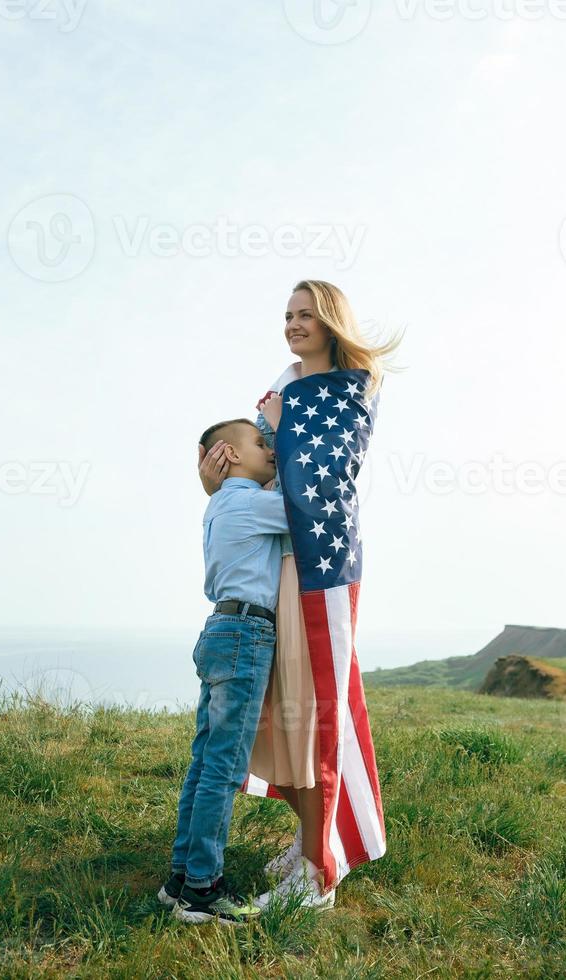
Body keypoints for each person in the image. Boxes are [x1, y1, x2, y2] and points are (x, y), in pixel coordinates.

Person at [198, 280, 403, 909]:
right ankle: (310, 839)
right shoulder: (281, 387)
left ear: (331, 321)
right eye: (287, 314)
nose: (292, 324)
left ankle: (318, 872)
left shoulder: (351, 388)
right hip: (275, 567)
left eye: (305, 314)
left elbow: (327, 475)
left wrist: (283, 431)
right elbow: (260, 478)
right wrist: (215, 477)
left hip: (320, 570)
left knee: (314, 710)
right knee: (286, 707)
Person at [158, 417, 290, 926]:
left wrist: (213, 482)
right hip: (244, 636)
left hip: (221, 630)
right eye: (260, 444)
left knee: (204, 759)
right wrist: (285, 435)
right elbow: (312, 507)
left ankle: (181, 877)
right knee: (224, 768)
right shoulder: (253, 504)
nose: (271, 451)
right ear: (230, 455)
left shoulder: (221, 503)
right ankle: (201, 890)